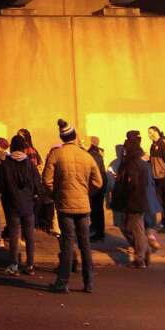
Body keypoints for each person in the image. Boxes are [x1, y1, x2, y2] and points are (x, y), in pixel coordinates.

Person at [42, 119, 102, 293]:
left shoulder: (56, 155)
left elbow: (46, 181)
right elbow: (98, 182)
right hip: (83, 206)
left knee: (68, 243)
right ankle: (89, 283)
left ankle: (62, 283)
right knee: (85, 244)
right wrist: (85, 193)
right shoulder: (86, 156)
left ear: (62, 137)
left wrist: (57, 194)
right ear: (75, 136)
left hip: (64, 206)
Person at [0, 133, 40, 276]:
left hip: (12, 204)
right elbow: (37, 183)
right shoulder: (29, 164)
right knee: (29, 236)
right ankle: (30, 265)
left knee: (14, 235)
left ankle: (14, 265)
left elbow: (1, 185)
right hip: (28, 204)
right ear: (23, 147)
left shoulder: (5, 164)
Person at [114, 138, 152, 268]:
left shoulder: (131, 163)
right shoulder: (140, 162)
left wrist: (121, 181)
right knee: (134, 228)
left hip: (133, 201)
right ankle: (144, 252)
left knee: (134, 229)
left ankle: (140, 258)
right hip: (138, 200)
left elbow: (132, 183)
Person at [87, 136, 108, 242]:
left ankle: (99, 233)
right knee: (96, 209)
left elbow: (94, 172)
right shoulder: (95, 153)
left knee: (97, 209)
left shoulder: (93, 154)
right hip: (99, 184)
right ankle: (97, 229)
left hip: (97, 185)